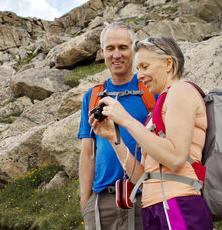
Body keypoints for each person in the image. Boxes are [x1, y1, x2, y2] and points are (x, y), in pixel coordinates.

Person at [91, 36, 213, 229]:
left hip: (178, 203)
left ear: (168, 63)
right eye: (138, 69)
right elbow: (142, 178)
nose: (139, 75)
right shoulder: (159, 107)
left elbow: (175, 158)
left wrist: (126, 119)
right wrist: (114, 139)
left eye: (145, 67)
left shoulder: (182, 91)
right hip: (154, 207)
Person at [78, 22, 155, 230]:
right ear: (102, 52)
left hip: (144, 196)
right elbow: (87, 153)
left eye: (123, 47)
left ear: (133, 49)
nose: (116, 54)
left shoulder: (151, 91)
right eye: (110, 48)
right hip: (101, 202)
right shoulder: (92, 96)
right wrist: (85, 201)